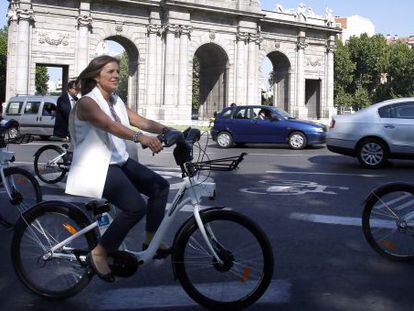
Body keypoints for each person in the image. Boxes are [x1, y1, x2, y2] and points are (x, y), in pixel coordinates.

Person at [65, 55, 171, 283]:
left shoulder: (115, 100)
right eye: (110, 72)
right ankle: (100, 252)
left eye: (117, 71)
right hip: (96, 166)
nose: (116, 76)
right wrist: (140, 138)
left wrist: (170, 130)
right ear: (96, 76)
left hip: (118, 161)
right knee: (135, 208)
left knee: (160, 187)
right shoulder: (87, 103)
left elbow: (140, 121)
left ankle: (150, 239)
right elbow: (110, 125)